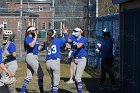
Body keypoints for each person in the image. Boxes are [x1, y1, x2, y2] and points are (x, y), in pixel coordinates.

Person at [20, 26, 44, 93]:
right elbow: (31, 45)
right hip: (31, 56)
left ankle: (22, 91)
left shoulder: (35, 38)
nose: (35, 31)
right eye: (34, 30)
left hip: (34, 57)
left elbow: (38, 48)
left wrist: (44, 46)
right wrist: (36, 37)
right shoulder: (28, 38)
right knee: (40, 74)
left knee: (29, 76)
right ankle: (42, 91)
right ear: (30, 32)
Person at [64, 27, 87, 93]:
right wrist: (65, 34)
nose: (74, 32)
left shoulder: (83, 39)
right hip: (75, 59)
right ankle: (79, 91)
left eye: (76, 31)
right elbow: (67, 40)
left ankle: (80, 92)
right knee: (75, 79)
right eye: (74, 31)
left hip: (81, 59)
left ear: (80, 32)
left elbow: (79, 46)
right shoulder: (73, 37)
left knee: (77, 78)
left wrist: (70, 46)